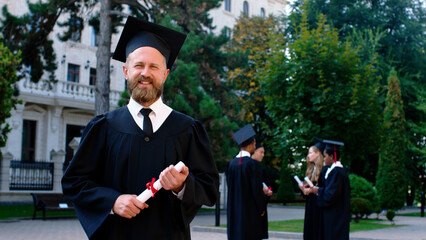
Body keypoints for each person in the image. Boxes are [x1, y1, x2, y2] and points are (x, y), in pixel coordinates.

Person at [61, 16, 219, 240]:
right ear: (126, 71)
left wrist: (183, 185)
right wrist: (112, 201)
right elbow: (74, 183)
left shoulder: (188, 129)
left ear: (164, 75)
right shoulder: (103, 127)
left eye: (154, 66)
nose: (145, 73)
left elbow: (210, 188)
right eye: (138, 65)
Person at [226, 124, 267, 240]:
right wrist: (261, 208)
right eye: (254, 143)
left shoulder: (232, 164)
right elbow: (256, 190)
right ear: (251, 144)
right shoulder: (252, 164)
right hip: (249, 212)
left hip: (234, 209)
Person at [310, 139, 350, 240]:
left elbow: (330, 195)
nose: (323, 158)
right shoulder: (334, 171)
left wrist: (318, 191)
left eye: (325, 156)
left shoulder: (337, 172)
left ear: (332, 157)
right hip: (334, 215)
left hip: (335, 217)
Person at [301, 138, 325, 240]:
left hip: (318, 208)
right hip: (310, 205)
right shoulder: (311, 169)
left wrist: (312, 190)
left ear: (318, 153)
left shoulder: (324, 170)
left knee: (316, 232)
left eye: (311, 153)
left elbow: (325, 190)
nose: (308, 155)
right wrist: (304, 189)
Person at [251, 142, 273, 239]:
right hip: (252, 209)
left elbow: (267, 186)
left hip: (261, 208)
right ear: (254, 152)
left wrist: (267, 193)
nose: (263, 155)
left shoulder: (260, 168)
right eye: (261, 152)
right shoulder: (249, 167)